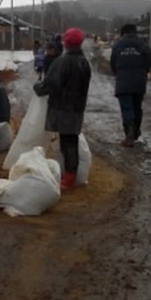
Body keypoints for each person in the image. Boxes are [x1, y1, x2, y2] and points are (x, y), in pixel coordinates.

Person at [33, 28, 91, 190]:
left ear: (65, 43)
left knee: (68, 143)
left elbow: (51, 84)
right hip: (77, 107)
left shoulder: (62, 62)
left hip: (62, 108)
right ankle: (70, 176)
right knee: (70, 140)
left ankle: (69, 179)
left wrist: (38, 88)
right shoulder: (84, 62)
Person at [110, 24, 151, 147]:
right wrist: (143, 72)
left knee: (127, 107)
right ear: (135, 32)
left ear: (123, 33)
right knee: (137, 107)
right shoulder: (143, 45)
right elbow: (148, 61)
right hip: (139, 81)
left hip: (123, 81)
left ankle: (129, 134)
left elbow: (113, 63)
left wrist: (118, 73)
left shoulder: (118, 45)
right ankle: (136, 130)